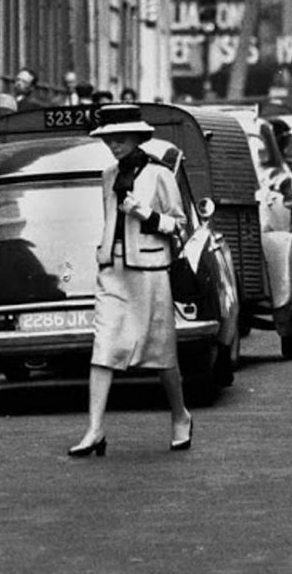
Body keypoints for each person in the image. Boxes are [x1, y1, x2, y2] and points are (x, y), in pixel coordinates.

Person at [68, 103, 193, 457]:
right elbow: (109, 221)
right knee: (103, 347)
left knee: (162, 354)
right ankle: (94, 429)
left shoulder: (160, 175)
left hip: (151, 273)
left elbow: (179, 224)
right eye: (109, 138)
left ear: (137, 138)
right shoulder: (108, 176)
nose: (114, 145)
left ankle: (180, 415)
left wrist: (145, 213)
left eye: (120, 138)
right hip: (113, 272)